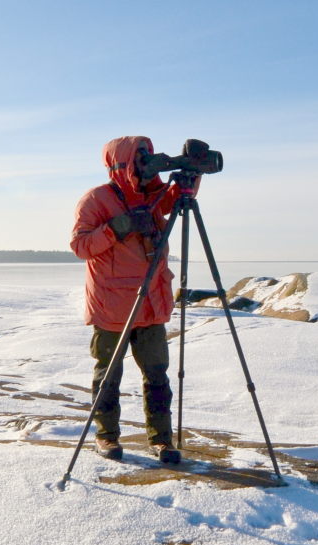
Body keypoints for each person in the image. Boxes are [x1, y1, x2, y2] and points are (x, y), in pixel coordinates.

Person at [70, 136, 198, 463]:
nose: (146, 163)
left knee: (158, 376)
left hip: (151, 304)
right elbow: (81, 246)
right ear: (122, 163)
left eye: (148, 156)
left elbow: (173, 200)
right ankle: (106, 437)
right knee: (108, 375)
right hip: (113, 306)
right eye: (140, 157)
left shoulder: (152, 195)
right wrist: (119, 226)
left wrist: (190, 176)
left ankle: (161, 441)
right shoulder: (96, 199)